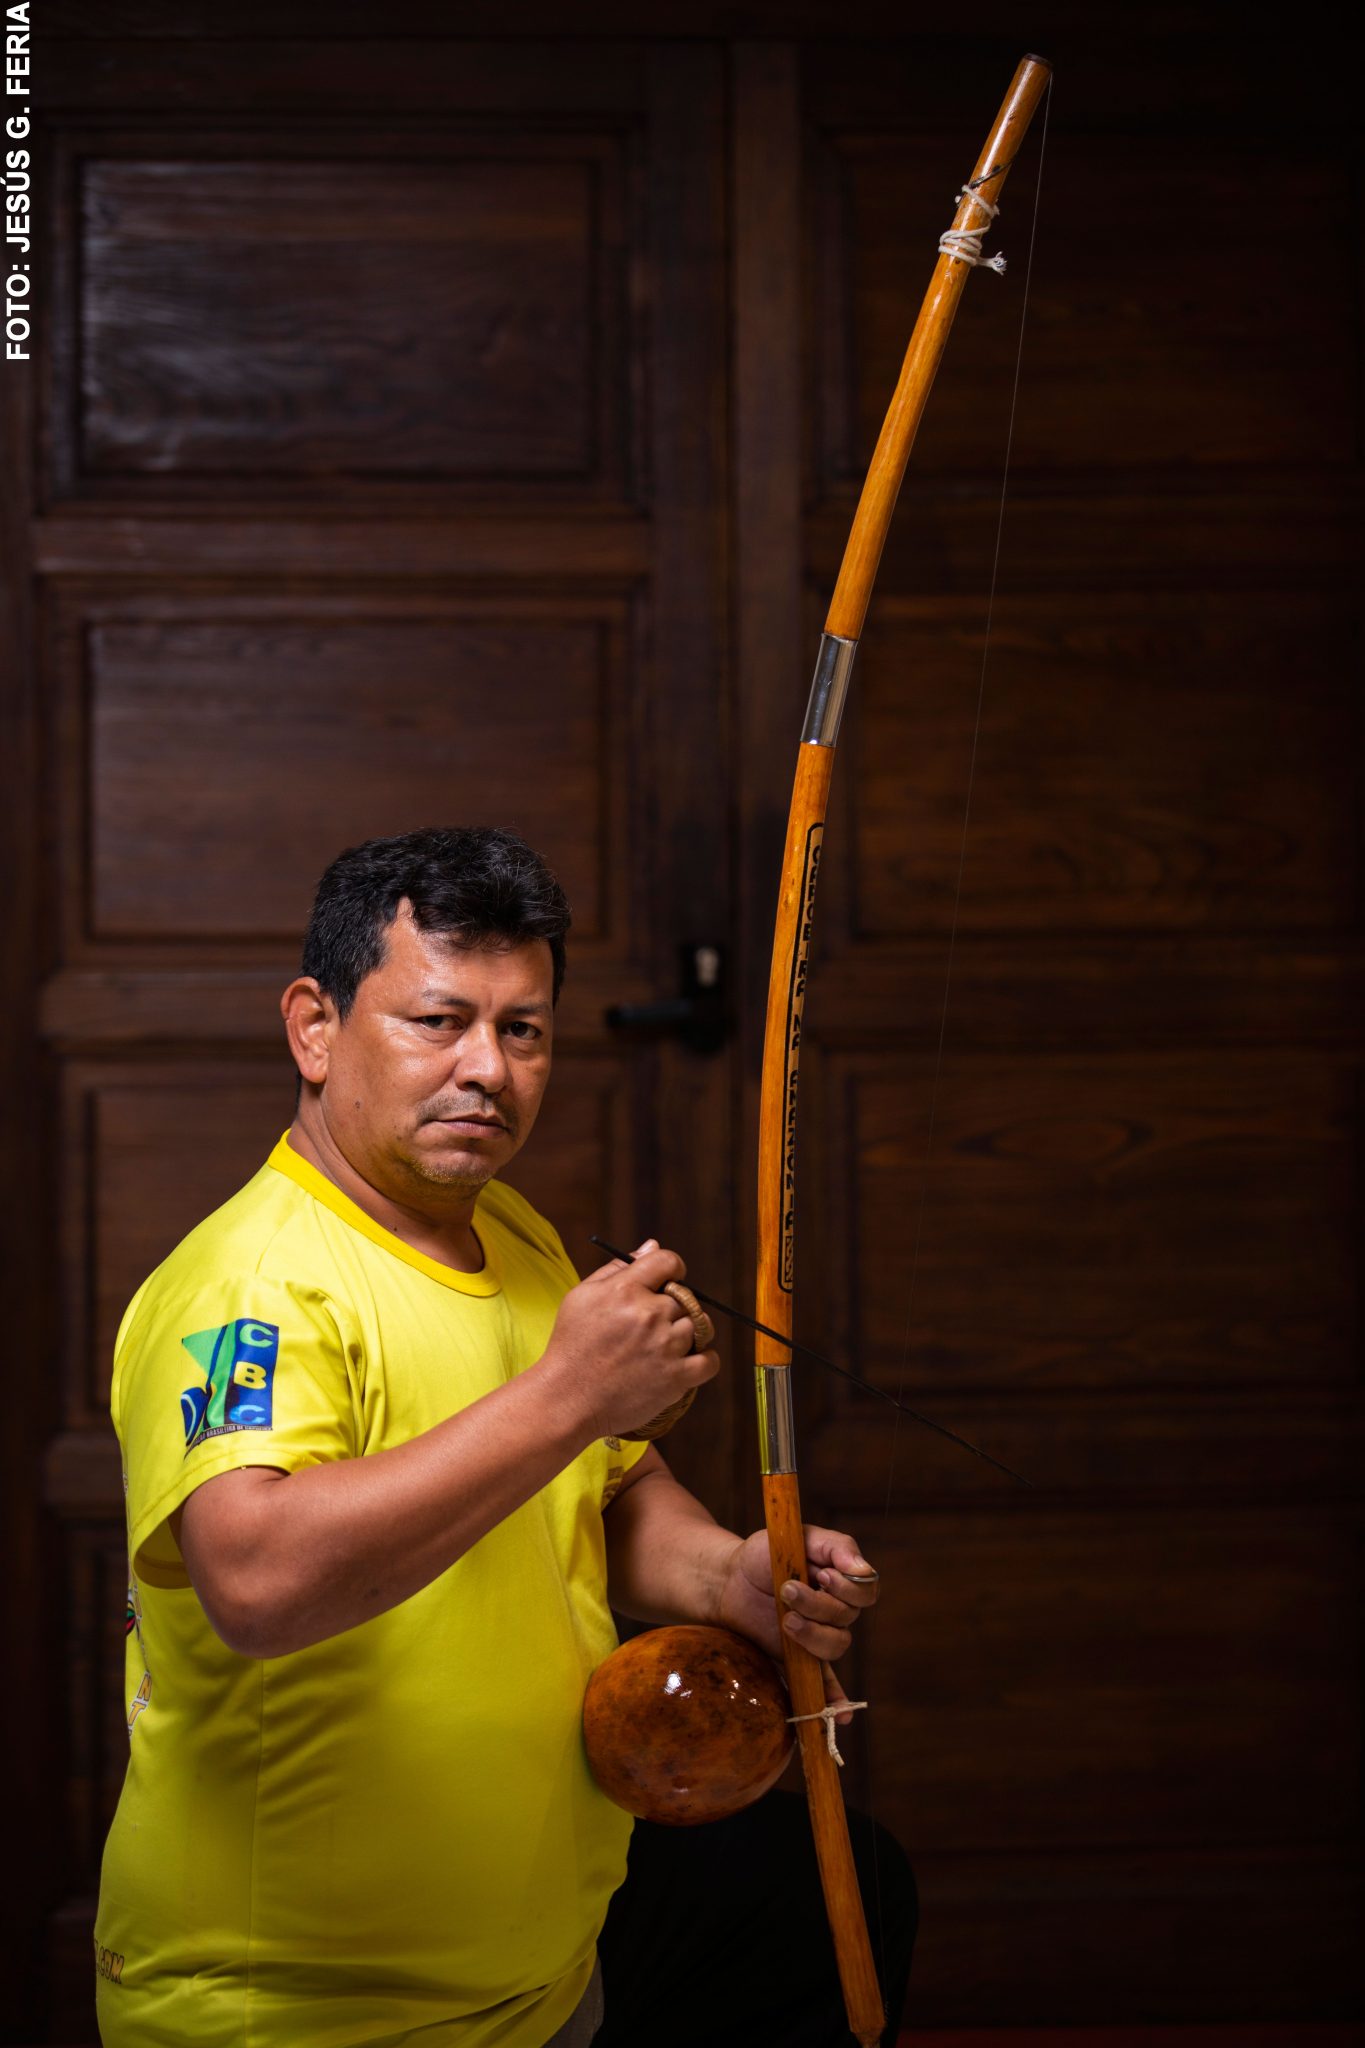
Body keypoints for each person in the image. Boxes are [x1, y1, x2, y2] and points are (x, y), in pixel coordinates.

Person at [94, 826, 914, 2048]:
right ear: (315, 1027)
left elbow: (610, 1487)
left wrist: (727, 1575)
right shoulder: (248, 1288)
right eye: (438, 1020)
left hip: (540, 1977)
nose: (487, 1067)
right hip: (302, 2008)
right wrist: (572, 1390)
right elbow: (256, 1580)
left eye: (522, 1028)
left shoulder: (517, 1234)